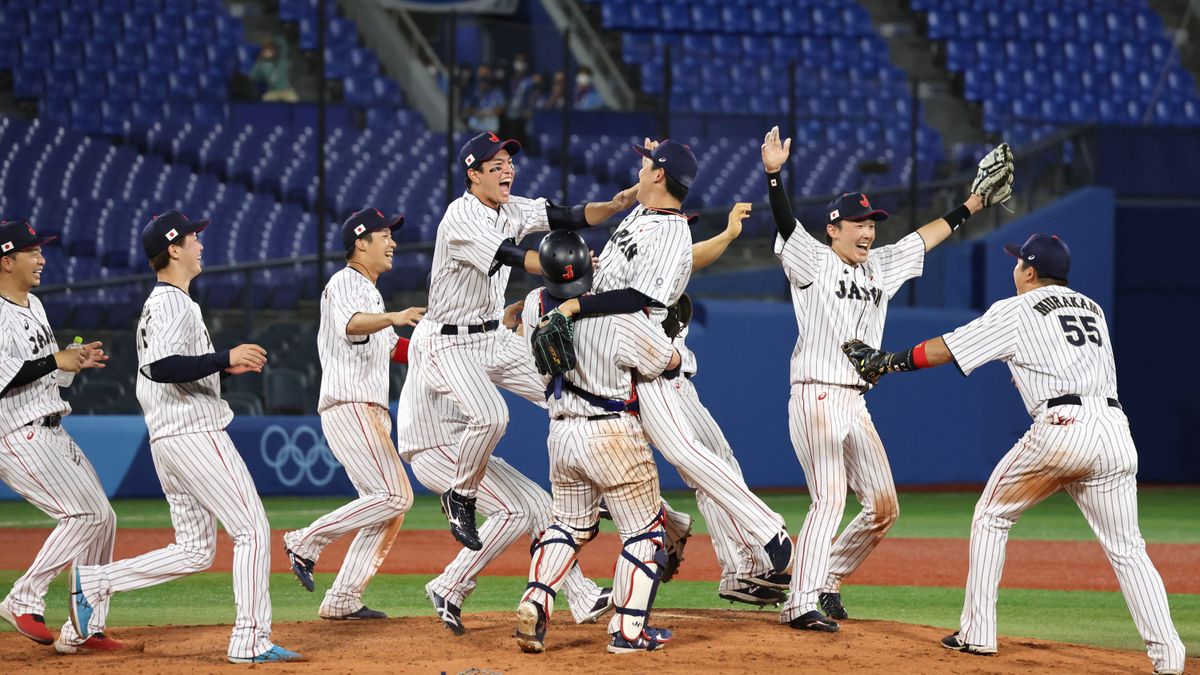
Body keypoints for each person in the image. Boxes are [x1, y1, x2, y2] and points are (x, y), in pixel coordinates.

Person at [839, 233, 1186, 675]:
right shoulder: (1092, 308)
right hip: (1116, 432)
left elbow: (946, 348)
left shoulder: (1017, 309)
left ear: (1028, 270)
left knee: (991, 515)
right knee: (1129, 550)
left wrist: (889, 362)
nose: (1014, 268)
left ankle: (977, 634)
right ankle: (1170, 657)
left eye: (1017, 262)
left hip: (1063, 428)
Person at [760, 125, 1013, 632]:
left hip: (856, 401)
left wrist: (973, 205)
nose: (868, 230)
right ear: (834, 228)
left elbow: (926, 237)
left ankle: (826, 576)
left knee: (882, 506)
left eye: (872, 222)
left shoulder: (882, 265)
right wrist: (773, 176)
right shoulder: (812, 261)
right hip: (816, 393)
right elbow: (788, 225)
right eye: (857, 223)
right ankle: (799, 601)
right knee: (829, 498)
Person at [543, 139, 795, 602]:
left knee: (689, 451)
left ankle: (768, 533)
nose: (638, 169)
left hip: (646, 358)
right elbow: (647, 241)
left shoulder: (671, 232)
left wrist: (577, 302)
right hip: (620, 357)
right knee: (695, 453)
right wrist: (656, 156)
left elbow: (641, 299)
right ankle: (723, 546)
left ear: (659, 177)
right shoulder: (642, 213)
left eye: (645, 165)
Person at [68, 211, 302, 663]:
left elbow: (175, 366)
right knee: (252, 530)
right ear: (173, 249)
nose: (201, 243)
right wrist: (224, 355)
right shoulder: (173, 302)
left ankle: (96, 582)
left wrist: (222, 365)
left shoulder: (164, 302)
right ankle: (249, 640)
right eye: (194, 237)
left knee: (195, 549)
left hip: (169, 436)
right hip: (193, 432)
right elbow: (159, 367)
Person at [394, 131, 636, 552]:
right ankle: (461, 495)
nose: (507, 169)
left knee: (570, 393)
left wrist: (616, 205)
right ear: (473, 175)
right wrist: (564, 268)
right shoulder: (461, 216)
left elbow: (568, 215)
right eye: (496, 165)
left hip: (493, 335)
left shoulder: (511, 208)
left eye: (508, 162)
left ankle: (594, 490)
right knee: (491, 418)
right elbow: (512, 256)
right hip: (448, 340)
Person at [517, 229, 680, 654]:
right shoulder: (618, 315)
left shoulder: (535, 305)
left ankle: (535, 602)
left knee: (568, 526)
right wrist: (675, 338)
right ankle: (628, 632)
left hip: (561, 433)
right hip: (612, 432)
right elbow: (667, 362)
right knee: (645, 533)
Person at [283, 208, 424, 620]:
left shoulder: (371, 292)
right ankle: (305, 540)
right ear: (360, 242)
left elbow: (395, 348)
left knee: (388, 505)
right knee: (397, 494)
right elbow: (352, 324)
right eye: (384, 235)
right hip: (350, 404)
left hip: (369, 407)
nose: (392, 242)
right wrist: (395, 317)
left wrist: (442, 350)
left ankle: (343, 598)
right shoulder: (344, 282)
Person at [0, 220, 120, 654]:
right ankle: (23, 597)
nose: (42, 259)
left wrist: (74, 360)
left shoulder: (33, 304)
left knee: (103, 519)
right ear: (6, 260)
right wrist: (56, 358)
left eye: (41, 251)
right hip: (17, 431)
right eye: (32, 252)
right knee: (84, 515)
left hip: (50, 424)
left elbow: (46, 370)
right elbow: (5, 376)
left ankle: (85, 629)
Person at [248, 36, 298, 103]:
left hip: (287, 91)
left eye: (270, 50)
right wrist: (258, 61)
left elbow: (283, 42)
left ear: (274, 51)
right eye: (266, 51)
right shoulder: (262, 65)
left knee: (294, 101)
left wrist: (272, 39)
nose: (268, 52)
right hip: (272, 92)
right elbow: (253, 76)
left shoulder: (281, 60)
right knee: (265, 101)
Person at [465, 65, 506, 133]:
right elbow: (467, 107)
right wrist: (477, 113)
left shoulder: (496, 91)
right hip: (474, 128)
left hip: (490, 130)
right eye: (480, 74)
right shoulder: (472, 89)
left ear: (489, 74)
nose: (482, 77)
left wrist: (488, 113)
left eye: (484, 74)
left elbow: (502, 107)